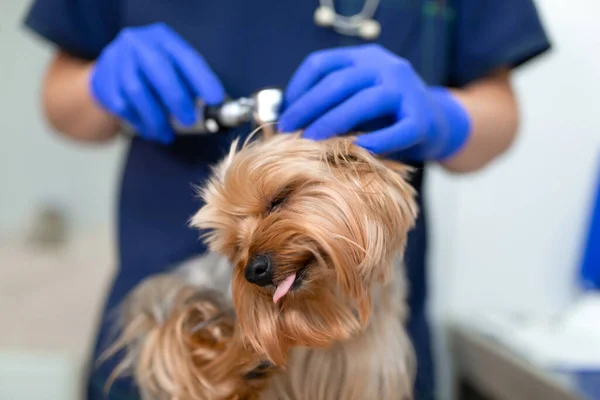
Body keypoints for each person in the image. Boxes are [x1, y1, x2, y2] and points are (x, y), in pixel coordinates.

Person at [22, 0, 550, 399]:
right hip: (175, 342)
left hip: (364, 346)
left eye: (278, 204)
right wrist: (99, 84)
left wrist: (443, 118)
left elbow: (499, 112)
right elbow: (59, 98)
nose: (253, 257)